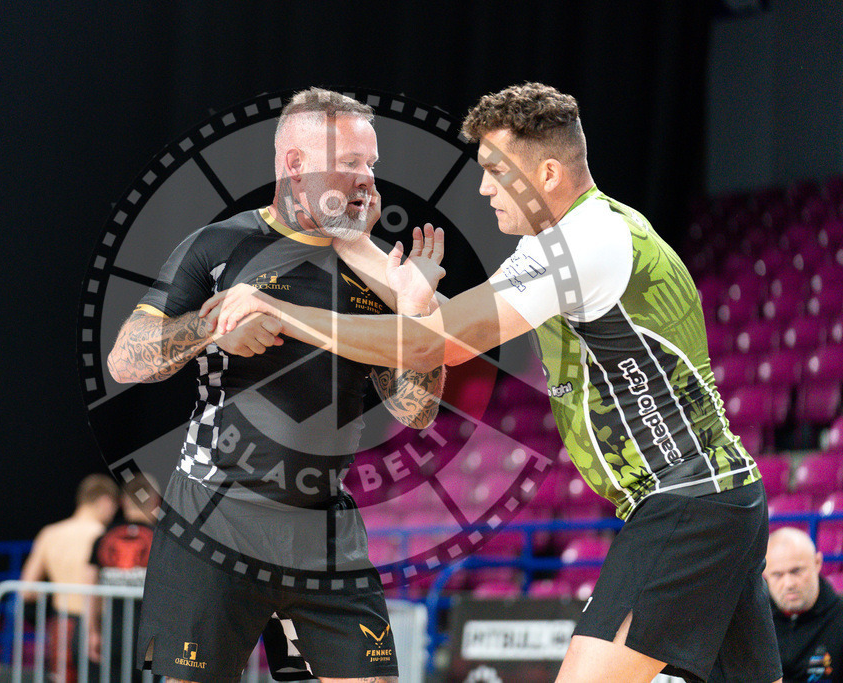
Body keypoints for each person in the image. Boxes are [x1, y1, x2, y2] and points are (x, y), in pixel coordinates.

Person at [204, 82, 783, 683]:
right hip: (724, 498)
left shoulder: (579, 246)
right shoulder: (579, 234)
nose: (482, 188)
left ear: (550, 173)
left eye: (495, 171)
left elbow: (435, 344)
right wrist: (356, 244)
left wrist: (284, 315)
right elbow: (443, 322)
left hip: (687, 502)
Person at [107, 87, 446, 682]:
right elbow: (125, 362)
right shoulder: (221, 246)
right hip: (215, 518)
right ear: (294, 165)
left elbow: (416, 410)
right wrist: (211, 327)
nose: (366, 179)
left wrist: (417, 311)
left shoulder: (371, 271)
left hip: (325, 528)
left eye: (371, 165)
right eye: (349, 165)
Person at [21, 473, 120, 681]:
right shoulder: (105, 537)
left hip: (61, 625)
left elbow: (27, 590)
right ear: (105, 501)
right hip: (98, 627)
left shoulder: (50, 533)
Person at [87, 472, 161, 682]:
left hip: (112, 635)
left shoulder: (103, 538)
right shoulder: (164, 541)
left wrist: (92, 631)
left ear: (123, 501)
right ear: (155, 501)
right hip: (152, 641)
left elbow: (90, 588)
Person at [765, 527, 843, 682]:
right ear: (764, 574)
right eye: (777, 575)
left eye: (796, 571)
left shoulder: (839, 617)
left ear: (817, 563)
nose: (788, 583)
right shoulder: (753, 621)